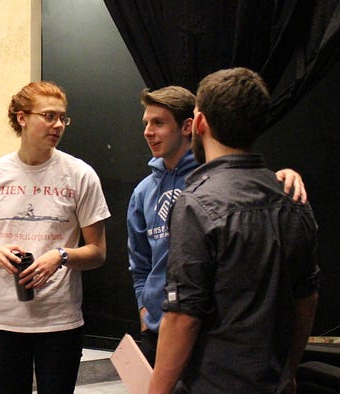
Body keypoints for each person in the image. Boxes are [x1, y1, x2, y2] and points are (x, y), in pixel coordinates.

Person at [140, 68, 320, 394]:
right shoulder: (294, 199)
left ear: (199, 122)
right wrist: (288, 372)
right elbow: (306, 299)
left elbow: (184, 317)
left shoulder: (196, 203)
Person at [127, 86, 307, 366]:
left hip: (208, 332)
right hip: (157, 330)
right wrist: (145, 314)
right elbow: (140, 264)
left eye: (158, 123)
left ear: (188, 126)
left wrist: (281, 178)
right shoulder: (142, 192)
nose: (148, 132)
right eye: (146, 123)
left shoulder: (214, 182)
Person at [0, 81, 111, 394]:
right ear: (22, 118)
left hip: (60, 320)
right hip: (6, 318)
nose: (58, 125)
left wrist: (61, 256)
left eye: (63, 118)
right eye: (49, 116)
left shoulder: (80, 175)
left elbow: (97, 252)